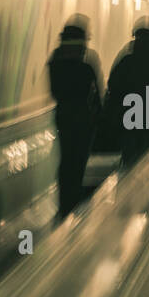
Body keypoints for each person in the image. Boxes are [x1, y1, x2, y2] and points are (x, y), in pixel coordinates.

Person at [47, 14, 104, 219]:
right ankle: (75, 201)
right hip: (84, 118)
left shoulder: (55, 59)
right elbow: (97, 93)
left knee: (66, 158)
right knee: (79, 159)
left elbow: (54, 92)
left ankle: (64, 204)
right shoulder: (88, 61)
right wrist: (99, 116)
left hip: (63, 115)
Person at [106, 15, 149, 169]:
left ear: (135, 33)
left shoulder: (125, 54)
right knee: (148, 161)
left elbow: (112, 83)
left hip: (127, 118)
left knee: (129, 159)